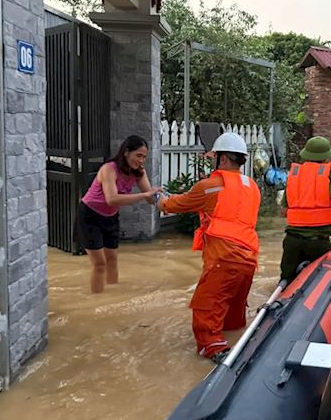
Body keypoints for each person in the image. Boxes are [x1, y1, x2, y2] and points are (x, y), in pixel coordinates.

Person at [155, 132, 260, 363]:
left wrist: (158, 200)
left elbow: (174, 204)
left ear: (222, 159)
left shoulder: (211, 186)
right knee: (232, 316)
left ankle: (213, 349)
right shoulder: (252, 186)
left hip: (224, 258)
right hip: (249, 259)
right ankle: (234, 342)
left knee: (207, 306)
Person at [76, 135, 160, 293]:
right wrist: (145, 196)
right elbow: (112, 199)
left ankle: (113, 297)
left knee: (112, 259)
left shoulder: (139, 172)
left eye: (144, 157)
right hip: (90, 216)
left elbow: (151, 197)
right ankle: (97, 302)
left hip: (111, 217)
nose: (142, 161)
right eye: (139, 156)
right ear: (126, 152)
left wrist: (170, 203)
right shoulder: (109, 169)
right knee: (99, 263)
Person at [279, 136, 331, 283]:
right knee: (320, 283)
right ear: (326, 157)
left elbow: (283, 210)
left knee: (285, 282)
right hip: (318, 243)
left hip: (291, 241)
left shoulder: (294, 175)